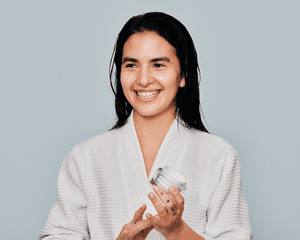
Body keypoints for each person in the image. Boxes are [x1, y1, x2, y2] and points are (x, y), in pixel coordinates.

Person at [39, 12, 253, 240]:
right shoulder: (85, 158)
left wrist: (177, 231)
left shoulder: (218, 155)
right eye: (131, 65)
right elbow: (57, 235)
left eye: (158, 64)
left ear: (183, 75)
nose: (143, 80)